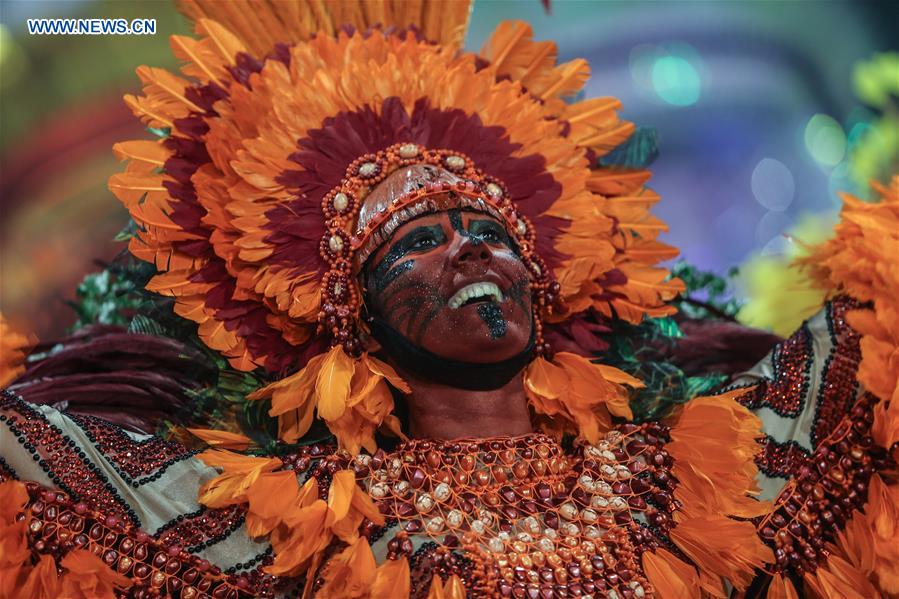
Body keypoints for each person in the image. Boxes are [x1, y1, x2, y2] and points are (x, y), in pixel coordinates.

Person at [1, 2, 897, 598]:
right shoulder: (304, 520)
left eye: (489, 230)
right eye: (416, 241)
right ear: (349, 316)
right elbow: (43, 463)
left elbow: (864, 349)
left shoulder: (693, 471)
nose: (470, 245)